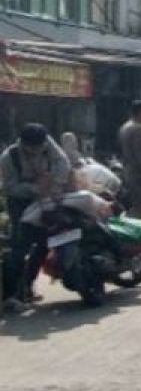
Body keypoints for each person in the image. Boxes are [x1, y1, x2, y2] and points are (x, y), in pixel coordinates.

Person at [1, 124, 71, 308]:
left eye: (41, 146)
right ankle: (9, 295)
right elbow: (10, 187)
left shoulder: (47, 143)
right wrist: (35, 188)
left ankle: (27, 286)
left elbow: (62, 163)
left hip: (47, 196)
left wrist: (54, 185)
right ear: (24, 144)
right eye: (33, 148)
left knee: (45, 241)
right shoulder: (9, 157)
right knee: (20, 245)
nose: (38, 150)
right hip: (20, 201)